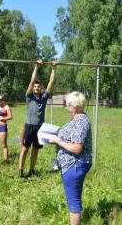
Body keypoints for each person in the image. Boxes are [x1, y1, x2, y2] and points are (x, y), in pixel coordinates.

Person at [48, 92, 92, 225]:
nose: (65, 107)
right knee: (73, 199)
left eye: (66, 104)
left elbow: (77, 148)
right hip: (71, 164)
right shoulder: (78, 119)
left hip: (74, 165)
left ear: (74, 106)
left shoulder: (81, 122)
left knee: (74, 204)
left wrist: (57, 141)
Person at [18, 60, 57, 178]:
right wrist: (36, 67)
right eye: (35, 86)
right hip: (29, 126)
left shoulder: (44, 98)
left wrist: (54, 68)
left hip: (40, 127)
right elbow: (31, 82)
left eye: (38, 86)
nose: (36, 87)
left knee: (36, 150)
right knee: (25, 149)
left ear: (40, 88)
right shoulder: (29, 97)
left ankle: (32, 171)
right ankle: (20, 171)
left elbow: (51, 82)